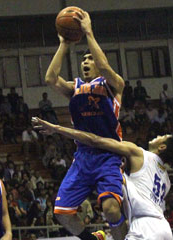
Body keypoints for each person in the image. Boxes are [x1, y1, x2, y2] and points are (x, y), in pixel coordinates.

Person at [33, 117, 173, 240]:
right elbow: (138, 188)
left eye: (163, 136)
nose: (158, 136)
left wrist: (56, 129)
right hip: (164, 229)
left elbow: (95, 141)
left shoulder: (139, 153)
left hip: (144, 228)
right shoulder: (166, 180)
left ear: (162, 147)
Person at [45, 10, 125, 240]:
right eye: (83, 59)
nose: (86, 62)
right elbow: (51, 78)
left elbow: (106, 66)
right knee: (61, 213)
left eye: (91, 58)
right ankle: (93, 239)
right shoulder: (75, 87)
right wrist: (63, 44)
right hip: (82, 157)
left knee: (110, 209)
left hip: (109, 155)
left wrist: (88, 32)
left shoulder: (114, 84)